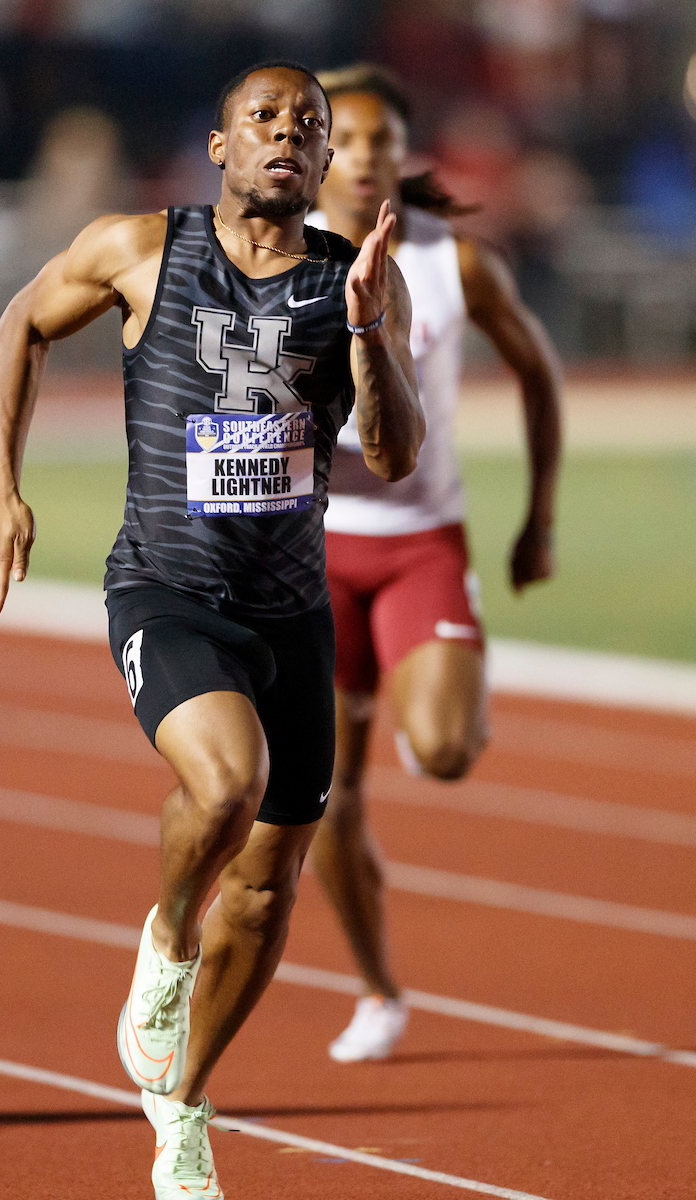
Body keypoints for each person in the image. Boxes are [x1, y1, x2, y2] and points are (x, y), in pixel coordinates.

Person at [0, 61, 423, 1200]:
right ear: (217, 146)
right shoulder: (139, 249)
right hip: (168, 590)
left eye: (306, 126)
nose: (286, 134)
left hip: (291, 608)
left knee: (270, 885)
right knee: (226, 786)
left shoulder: (358, 279)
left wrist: (367, 331)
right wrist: (1, 491)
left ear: (324, 166)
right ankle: (167, 945)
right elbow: (23, 324)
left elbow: (394, 449)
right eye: (262, 119)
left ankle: (180, 1107)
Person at [306, 64, 562, 1063]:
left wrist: (536, 518)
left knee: (447, 753)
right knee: (323, 795)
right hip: (307, 553)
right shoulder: (265, 260)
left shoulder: (455, 264)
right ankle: (376, 989)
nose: (366, 155)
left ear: (402, 154)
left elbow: (537, 370)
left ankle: (424, 703)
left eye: (383, 140)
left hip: (422, 542)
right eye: (350, 137)